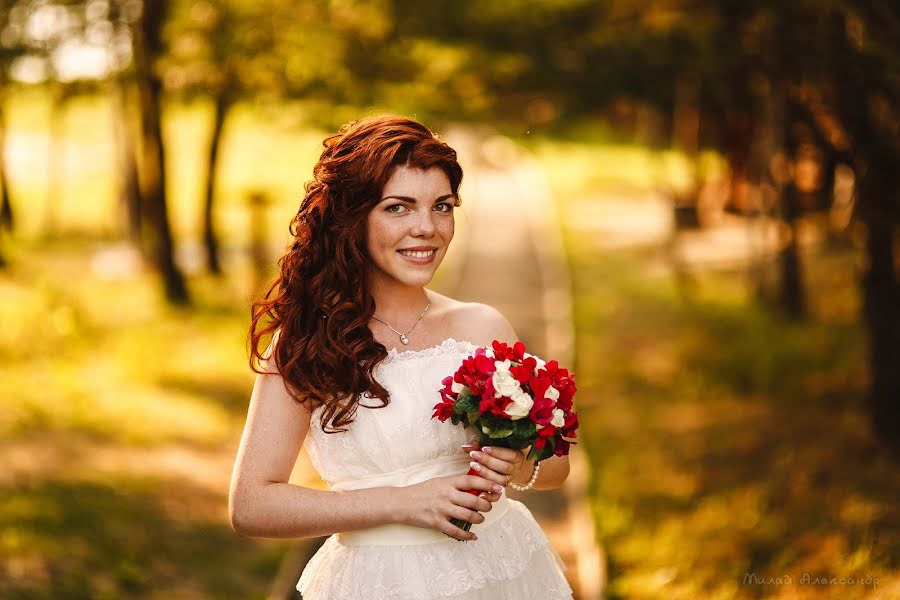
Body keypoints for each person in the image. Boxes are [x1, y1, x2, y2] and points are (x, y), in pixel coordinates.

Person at [228, 115, 574, 599]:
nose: (426, 229)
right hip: (379, 583)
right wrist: (402, 502)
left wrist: (517, 465)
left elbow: (557, 468)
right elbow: (251, 506)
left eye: (442, 206)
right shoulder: (307, 342)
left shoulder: (483, 326)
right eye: (398, 207)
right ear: (351, 218)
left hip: (503, 569)